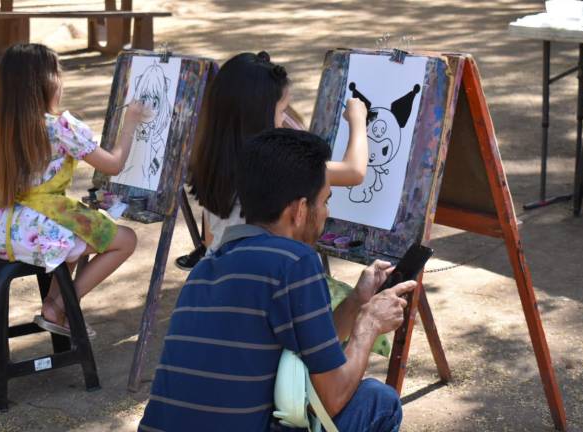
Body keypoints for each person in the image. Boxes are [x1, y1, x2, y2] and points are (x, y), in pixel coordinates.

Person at [139, 128, 416, 431]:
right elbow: (334, 394)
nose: (325, 212)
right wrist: (369, 325)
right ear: (299, 210)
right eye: (324, 201)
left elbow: (313, 345)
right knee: (378, 401)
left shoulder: (206, 268)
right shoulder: (295, 261)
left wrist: (356, 301)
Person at [0, 43, 141, 336]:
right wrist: (130, 123)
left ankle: (52, 304)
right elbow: (113, 165)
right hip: (39, 228)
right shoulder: (61, 126)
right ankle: (60, 306)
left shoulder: (1, 126)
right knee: (126, 240)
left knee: (73, 235)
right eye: (57, 73)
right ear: (47, 82)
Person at [174, 51, 368, 270]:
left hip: (217, 273)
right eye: (281, 111)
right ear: (259, 116)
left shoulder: (210, 154)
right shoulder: (274, 162)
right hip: (260, 279)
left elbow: (210, 238)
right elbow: (354, 171)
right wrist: (358, 120)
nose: (284, 119)